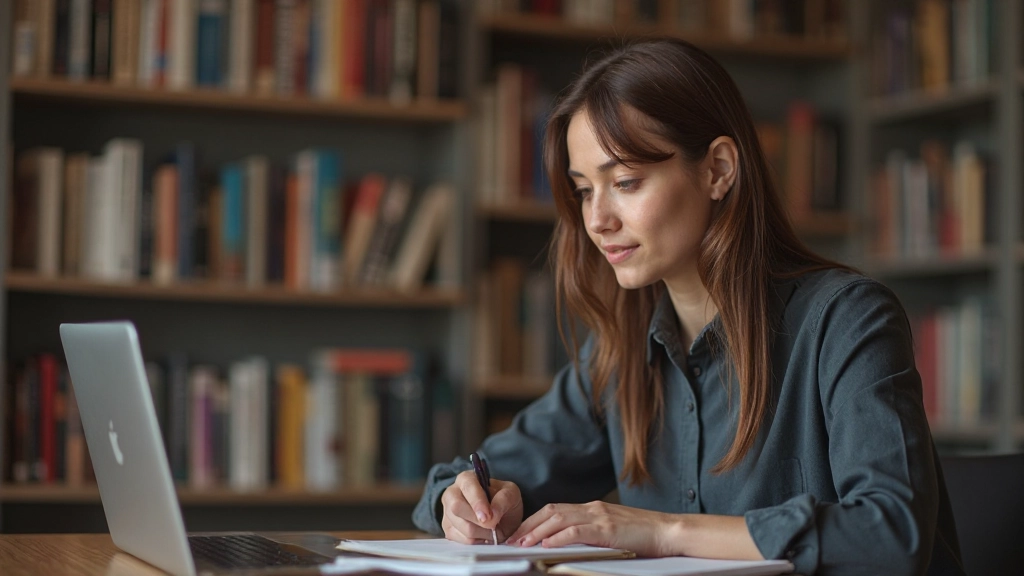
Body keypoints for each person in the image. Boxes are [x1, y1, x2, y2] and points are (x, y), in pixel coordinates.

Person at [413, 38, 964, 575]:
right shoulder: (621, 349)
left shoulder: (847, 320)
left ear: (718, 170)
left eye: (625, 181)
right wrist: (462, 501)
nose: (597, 220)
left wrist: (662, 532)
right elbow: (463, 479)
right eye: (584, 190)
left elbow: (892, 534)